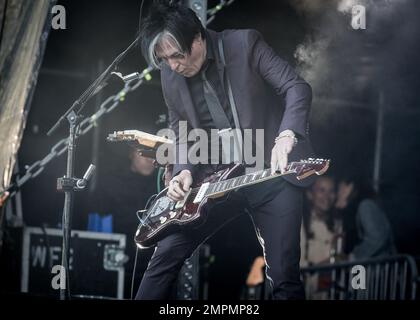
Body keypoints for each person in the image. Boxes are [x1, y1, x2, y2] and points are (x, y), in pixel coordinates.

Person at [136, 1, 313, 300]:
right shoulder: (170, 75)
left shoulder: (244, 44)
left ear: (198, 37)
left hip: (270, 175)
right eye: (164, 59)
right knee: (164, 255)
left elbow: (296, 87)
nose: (174, 65)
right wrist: (182, 173)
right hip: (214, 181)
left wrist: (287, 135)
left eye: (178, 55)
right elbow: (180, 131)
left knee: (283, 277)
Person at [335, 178, 396, 260]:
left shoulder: (366, 206)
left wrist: (353, 257)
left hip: (377, 268)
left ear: (349, 187)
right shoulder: (364, 206)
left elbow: (376, 239)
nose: (337, 193)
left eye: (339, 188)